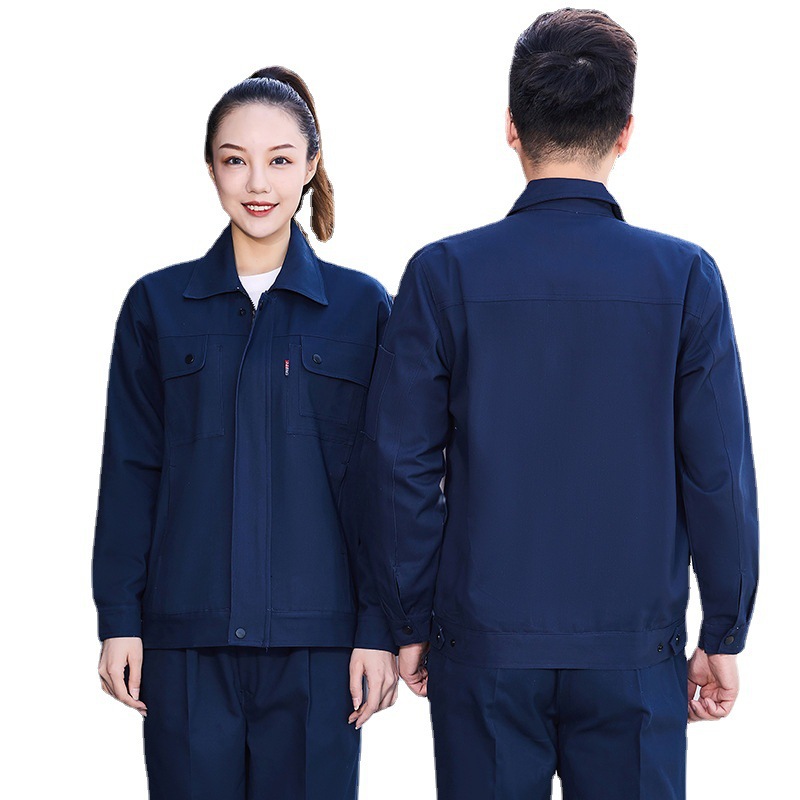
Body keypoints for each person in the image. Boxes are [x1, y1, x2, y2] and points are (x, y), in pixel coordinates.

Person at [348, 8, 759, 799]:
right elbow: (718, 473)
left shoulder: (443, 273)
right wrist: (724, 630)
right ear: (626, 132)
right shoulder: (684, 278)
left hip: (483, 650)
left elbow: (398, 467)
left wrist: (409, 621)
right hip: (633, 653)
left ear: (511, 126)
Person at [91, 67, 398, 799]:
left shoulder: (362, 308)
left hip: (320, 648)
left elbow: (385, 484)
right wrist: (119, 617)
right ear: (211, 168)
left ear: (311, 166)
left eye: (280, 159)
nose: (258, 182)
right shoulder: (156, 306)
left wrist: (380, 628)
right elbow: (131, 469)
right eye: (235, 160)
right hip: (186, 643)